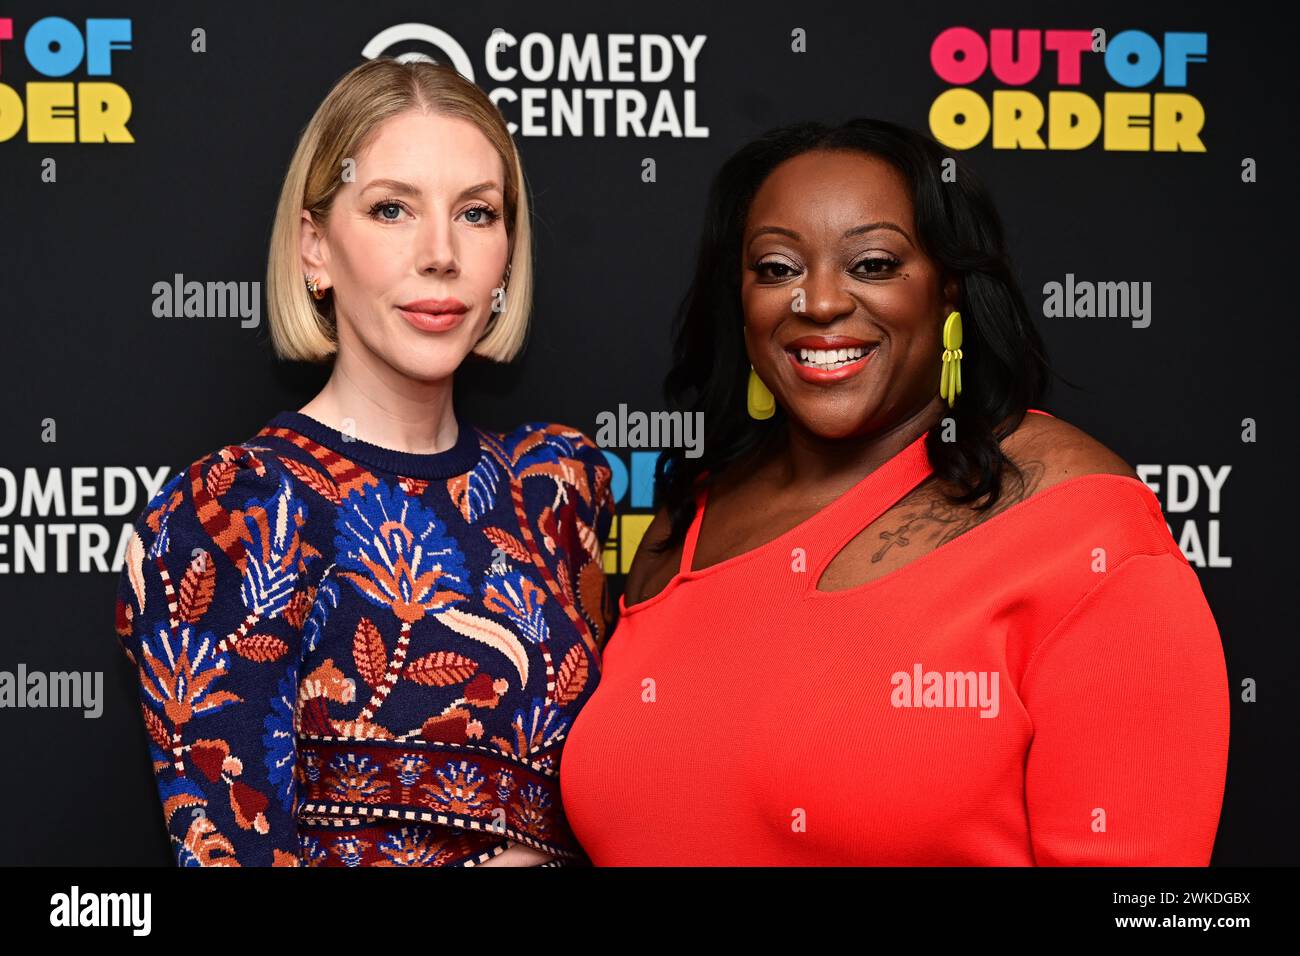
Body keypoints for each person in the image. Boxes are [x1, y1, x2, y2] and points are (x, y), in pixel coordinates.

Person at [559, 119, 1230, 865]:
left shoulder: (1083, 529)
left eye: (873, 264)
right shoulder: (681, 526)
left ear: (949, 287)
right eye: (776, 268)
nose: (817, 303)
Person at [113, 58, 614, 867]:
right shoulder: (236, 512)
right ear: (315, 248)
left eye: (477, 214)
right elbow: (228, 848)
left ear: (507, 252)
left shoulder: (555, 489)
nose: (441, 253)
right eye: (391, 209)